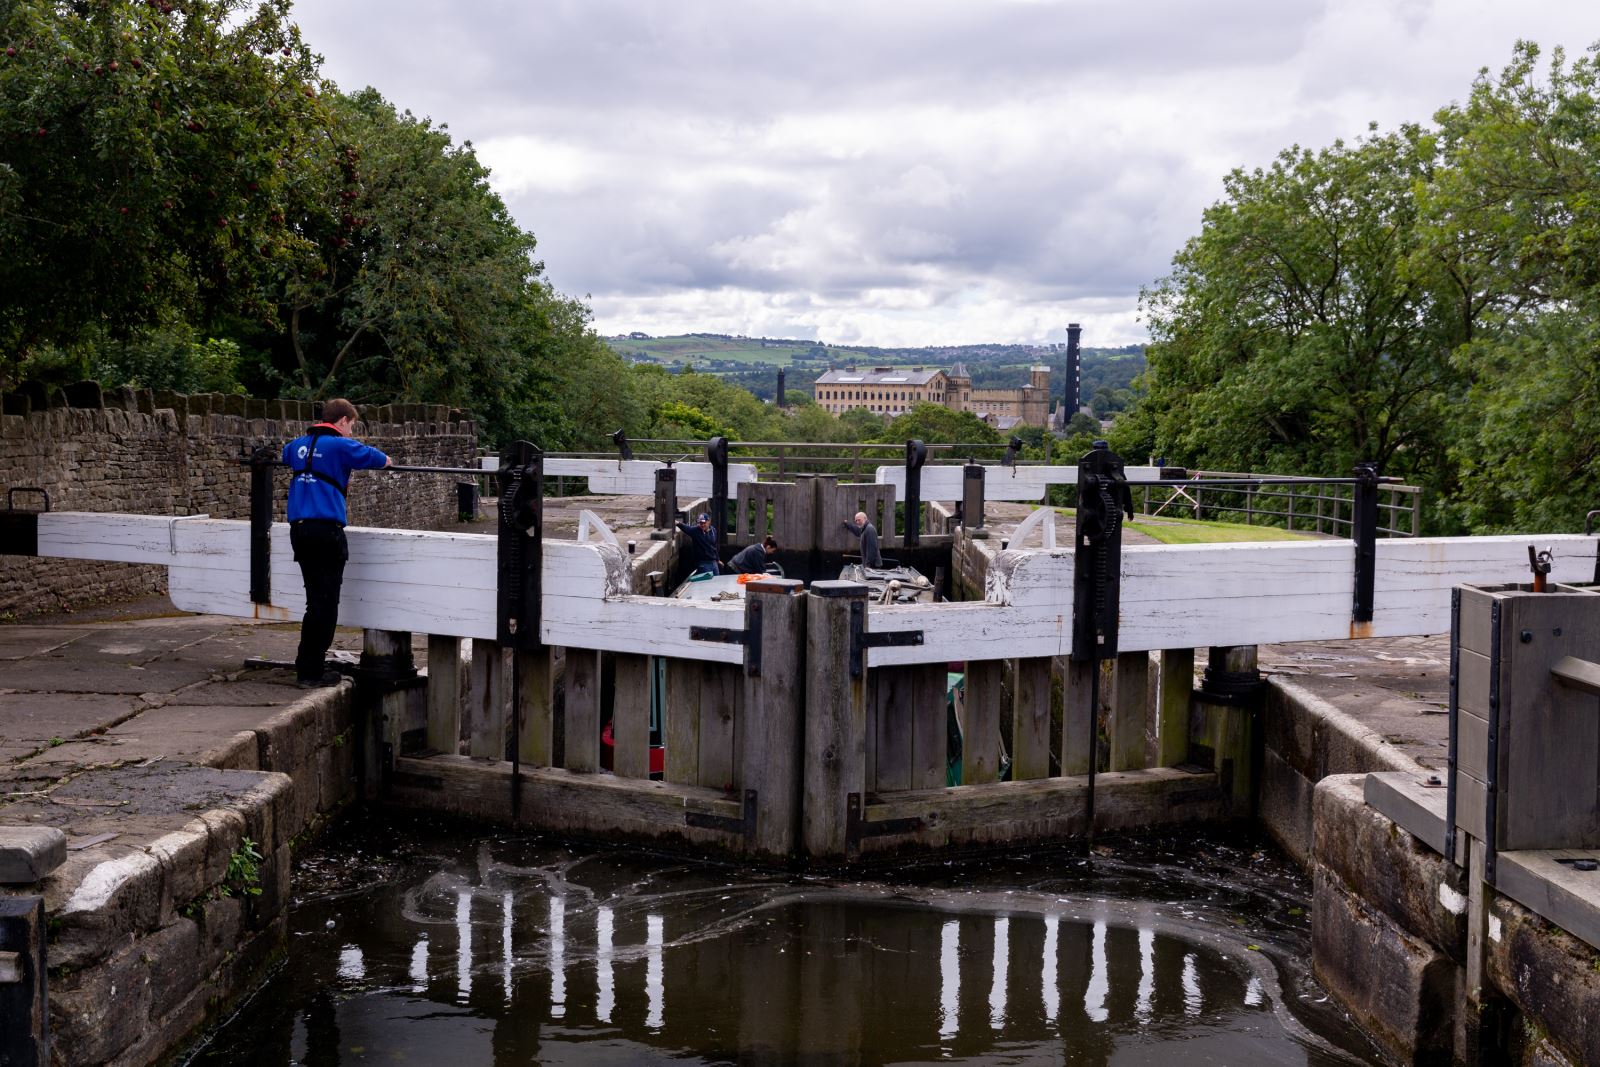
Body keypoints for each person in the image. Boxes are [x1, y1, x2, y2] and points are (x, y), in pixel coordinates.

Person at [281, 399, 391, 687]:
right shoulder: (341, 445)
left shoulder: (296, 445)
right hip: (326, 532)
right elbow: (379, 459)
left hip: (300, 531)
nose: (351, 432)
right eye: (352, 426)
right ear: (342, 421)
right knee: (326, 604)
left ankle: (306, 664)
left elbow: (283, 455)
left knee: (314, 602)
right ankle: (311, 672)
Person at [675, 511, 721, 576]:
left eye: (704, 523)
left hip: (714, 562)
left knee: (717, 581)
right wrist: (677, 523)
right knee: (706, 583)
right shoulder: (696, 531)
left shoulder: (713, 530)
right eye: (700, 523)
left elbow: (714, 546)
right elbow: (686, 528)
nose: (702, 525)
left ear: (709, 521)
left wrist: (718, 559)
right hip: (703, 563)